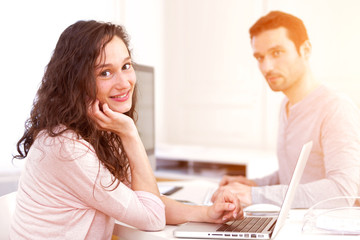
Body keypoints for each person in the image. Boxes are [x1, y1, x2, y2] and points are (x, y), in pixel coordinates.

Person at [10, 20, 242, 239]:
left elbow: (147, 202)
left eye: (126, 66)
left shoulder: (100, 132)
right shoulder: (66, 147)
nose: (124, 82)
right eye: (105, 72)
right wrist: (130, 133)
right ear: (76, 82)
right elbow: (152, 217)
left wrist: (207, 213)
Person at [212, 11, 360, 208]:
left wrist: (256, 195)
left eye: (276, 53)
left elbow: (342, 191)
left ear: (305, 50)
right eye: (260, 57)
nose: (266, 67)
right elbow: (296, 174)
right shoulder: (286, 105)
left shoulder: (336, 108)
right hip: (293, 222)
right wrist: (254, 184)